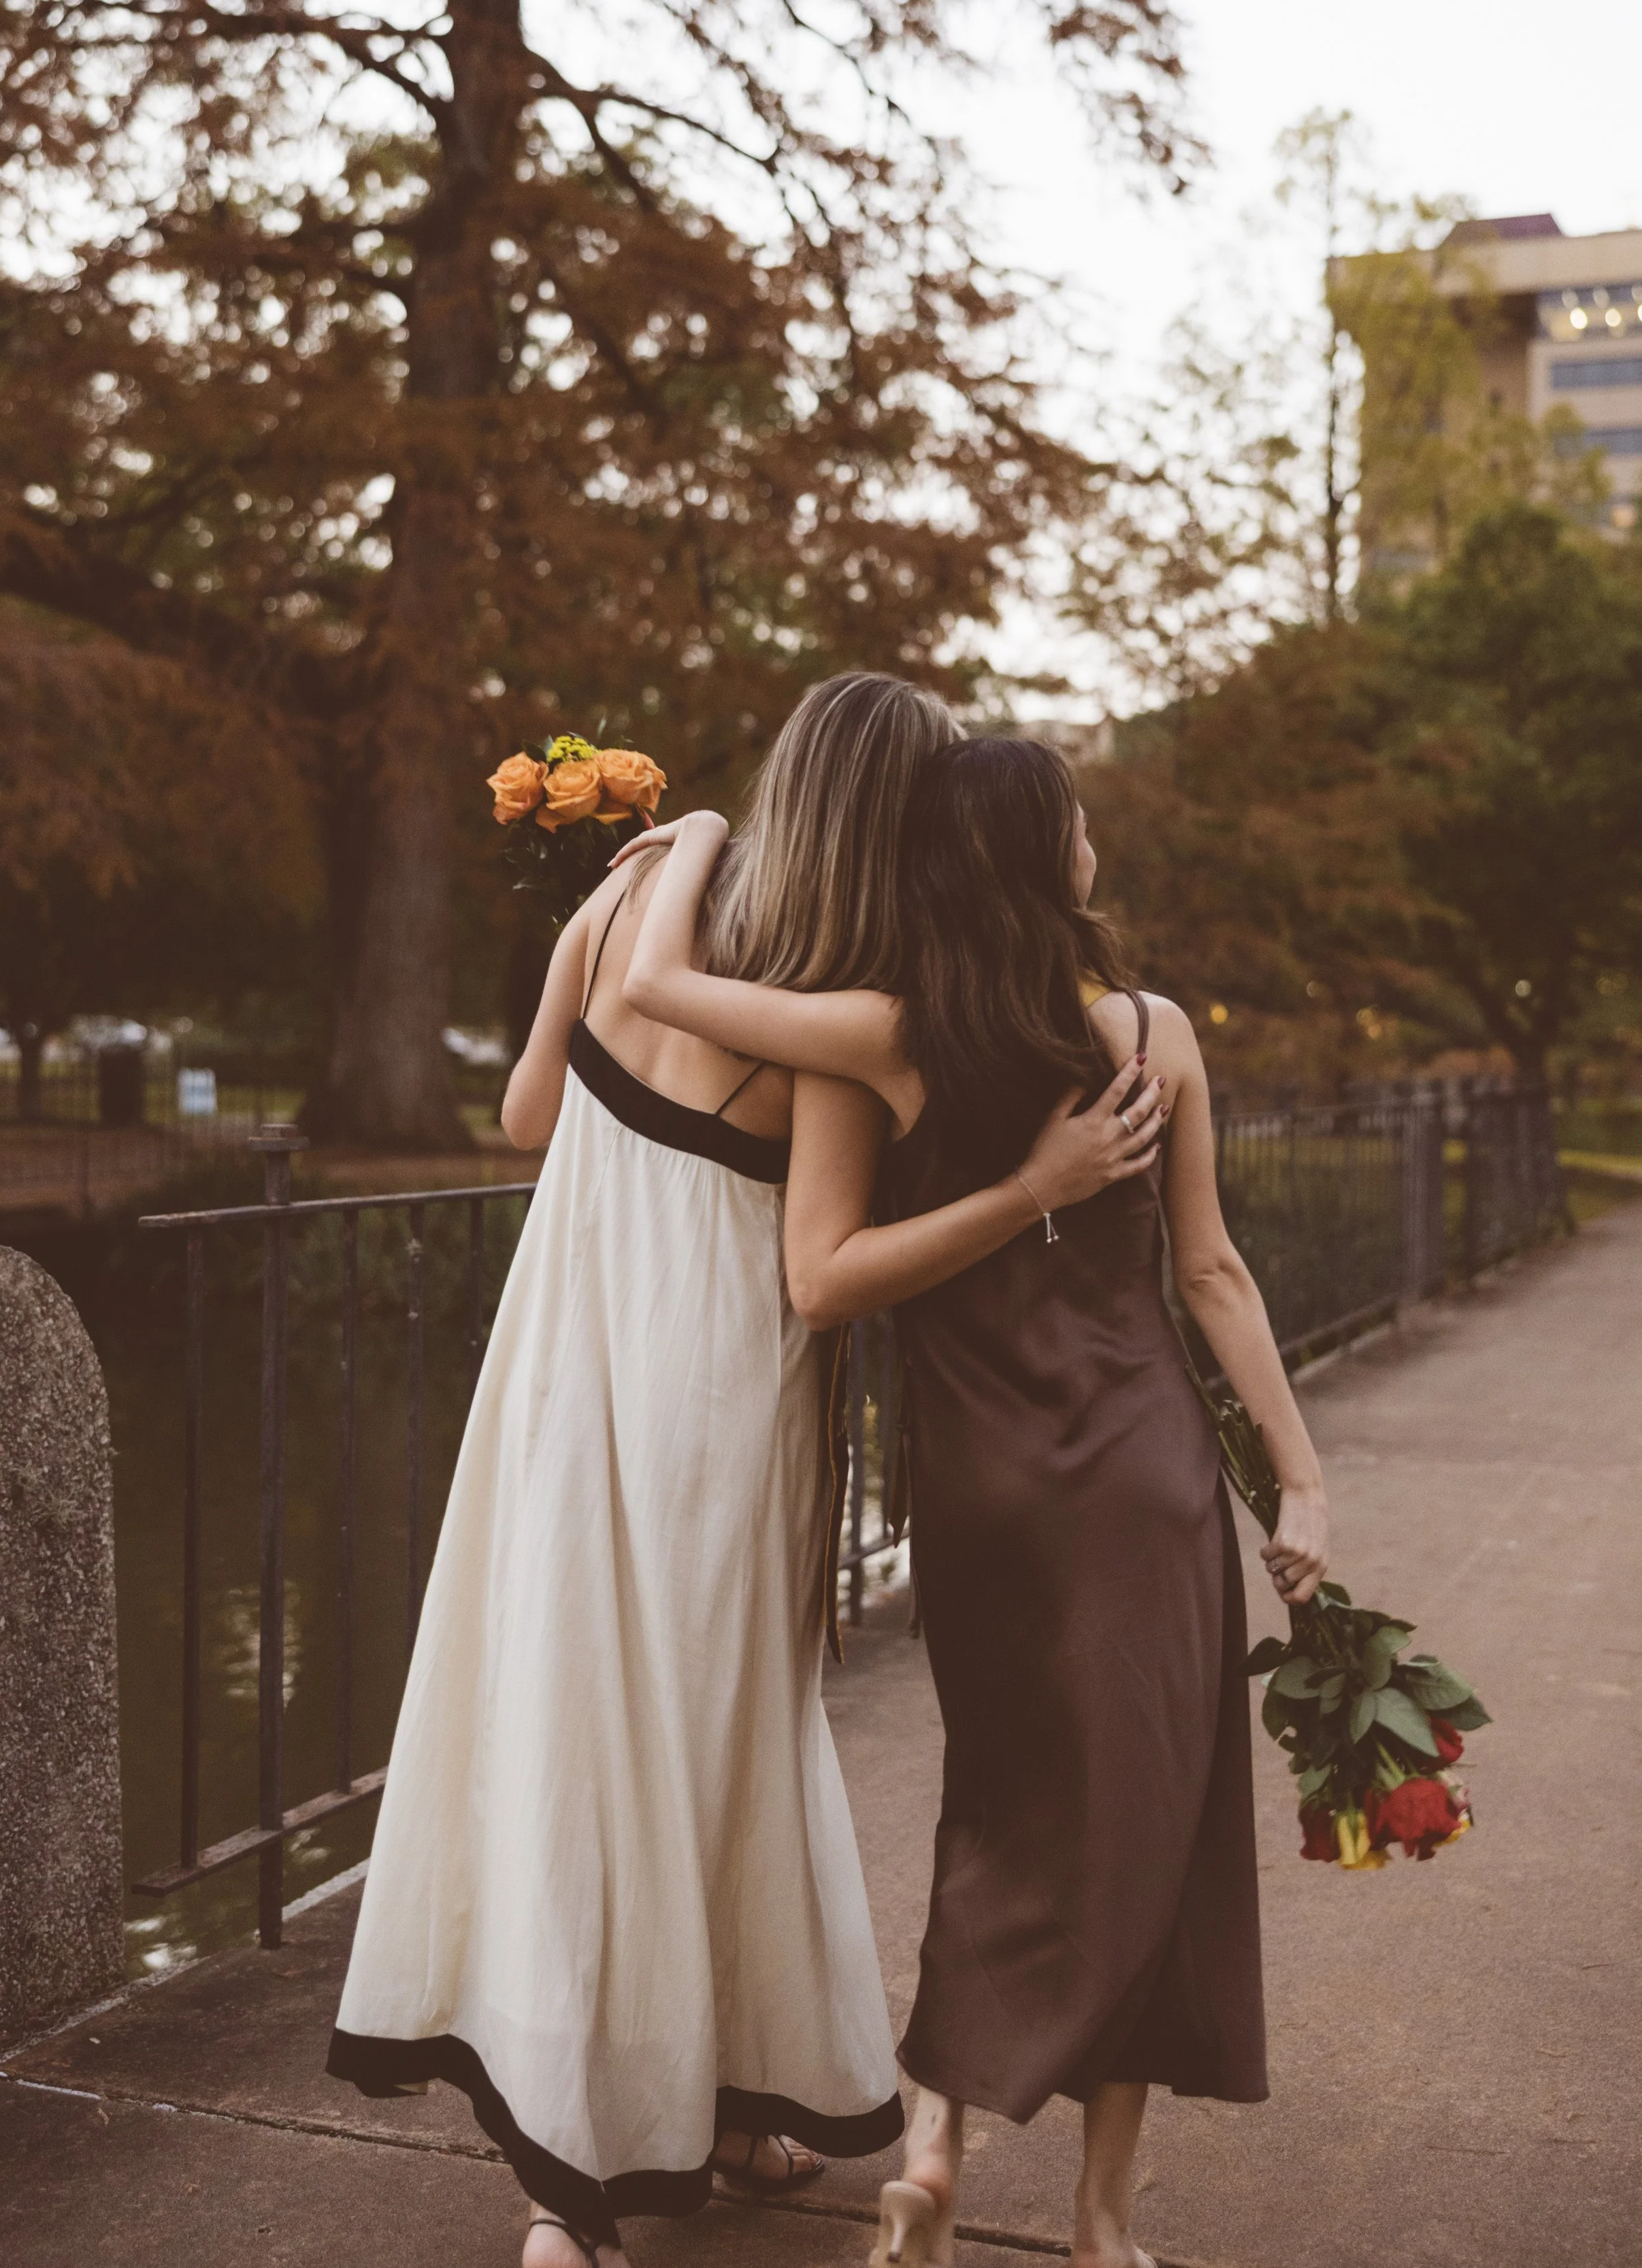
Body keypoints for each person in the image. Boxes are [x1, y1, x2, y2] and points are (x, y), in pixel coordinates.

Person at [326, 683, 1162, 2268]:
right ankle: (616, 2159)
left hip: (559, 1383)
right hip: (712, 1412)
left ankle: (617, 2158)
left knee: (583, 1744)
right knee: (696, 1749)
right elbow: (824, 1270)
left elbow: (521, 1116)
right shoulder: (839, 1006)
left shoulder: (640, 889)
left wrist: (679, 844)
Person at [619, 737, 1333, 2268]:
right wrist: (1297, 1473)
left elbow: (659, 993)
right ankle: (1095, 2220)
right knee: (1154, 1829)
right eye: (1071, 820)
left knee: (997, 1809)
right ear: (1041, 854)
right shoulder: (1150, 1035)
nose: (1088, 839)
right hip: (1141, 1485)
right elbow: (1206, 1273)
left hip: (977, 1486)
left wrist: (688, 839)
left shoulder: (881, 1034)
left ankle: (933, 2148)